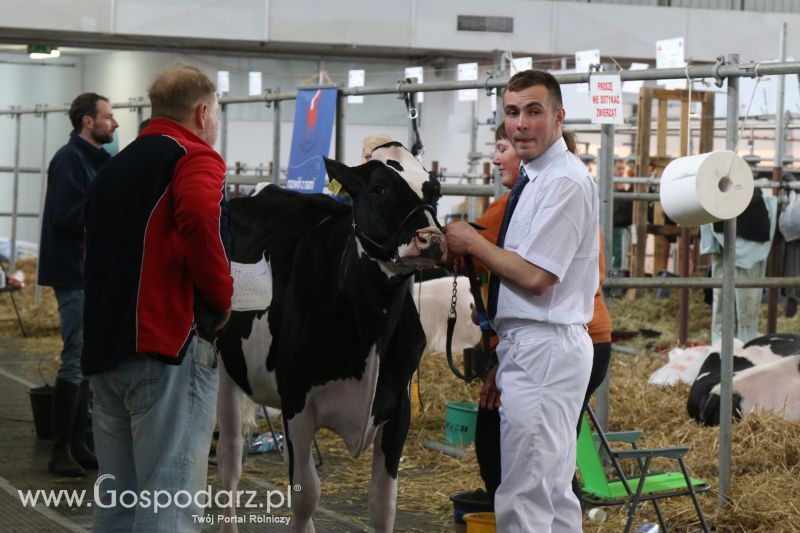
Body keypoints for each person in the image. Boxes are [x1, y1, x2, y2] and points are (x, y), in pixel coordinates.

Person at [445, 69, 598, 532]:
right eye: (513, 112)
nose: (521, 124)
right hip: (533, 346)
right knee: (548, 490)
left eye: (534, 112)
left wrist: (471, 243)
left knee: (524, 495)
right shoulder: (536, 180)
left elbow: (536, 277)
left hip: (546, 345)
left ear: (558, 118)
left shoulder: (564, 182)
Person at [82, 65, 233, 532]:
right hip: (165, 349)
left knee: (119, 502)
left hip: (106, 350)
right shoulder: (195, 156)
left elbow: (91, 250)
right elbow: (199, 218)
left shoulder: (116, 164)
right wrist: (220, 296)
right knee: (169, 501)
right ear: (203, 112)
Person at [471, 125, 611, 506]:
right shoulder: (542, 189)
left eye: (505, 147)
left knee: (524, 473)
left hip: (550, 339)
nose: (498, 157)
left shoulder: (547, 190)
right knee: (549, 471)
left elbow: (534, 278)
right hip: (573, 336)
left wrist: (459, 240)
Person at [38, 92, 118, 477]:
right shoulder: (70, 160)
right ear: (88, 121)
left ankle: (79, 443)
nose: (114, 123)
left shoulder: (95, 162)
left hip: (88, 271)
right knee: (75, 357)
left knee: (84, 357)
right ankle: (59, 451)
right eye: (108, 116)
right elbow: (67, 217)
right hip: (74, 272)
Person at [701, 187, 777, 344]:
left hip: (722, 227)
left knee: (723, 291)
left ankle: (726, 338)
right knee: (731, 291)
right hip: (735, 239)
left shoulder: (714, 196)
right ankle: (740, 338)